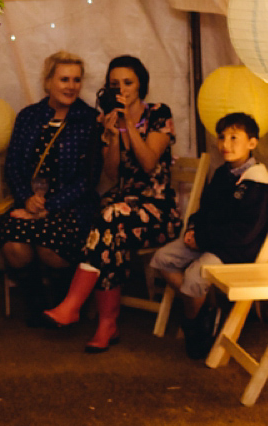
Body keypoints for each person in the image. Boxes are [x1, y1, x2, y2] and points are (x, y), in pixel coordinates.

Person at [42, 54, 180, 352]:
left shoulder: (159, 113)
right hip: (121, 210)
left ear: (140, 84)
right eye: (114, 84)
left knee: (108, 218)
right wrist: (113, 133)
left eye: (128, 83)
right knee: (109, 224)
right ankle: (107, 323)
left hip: (157, 210)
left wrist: (129, 123)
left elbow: (147, 162)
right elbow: (113, 173)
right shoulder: (108, 117)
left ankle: (75, 305)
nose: (122, 89)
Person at [150, 112, 268, 359]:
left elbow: (244, 234)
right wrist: (192, 229)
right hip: (210, 239)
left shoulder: (260, 184)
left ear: (252, 143)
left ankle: (195, 326)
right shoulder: (223, 173)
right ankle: (205, 312)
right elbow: (205, 208)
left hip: (236, 250)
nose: (226, 144)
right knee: (162, 258)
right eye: (222, 138)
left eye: (234, 138)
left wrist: (202, 239)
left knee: (193, 276)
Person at [0, 52, 103, 326]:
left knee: (50, 245)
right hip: (29, 203)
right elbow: (13, 166)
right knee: (13, 244)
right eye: (64, 79)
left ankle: (63, 303)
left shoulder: (90, 119)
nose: (71, 86)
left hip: (71, 206)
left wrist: (49, 208)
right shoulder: (29, 116)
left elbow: (88, 178)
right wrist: (26, 201)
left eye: (76, 80)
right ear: (48, 83)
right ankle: (36, 305)